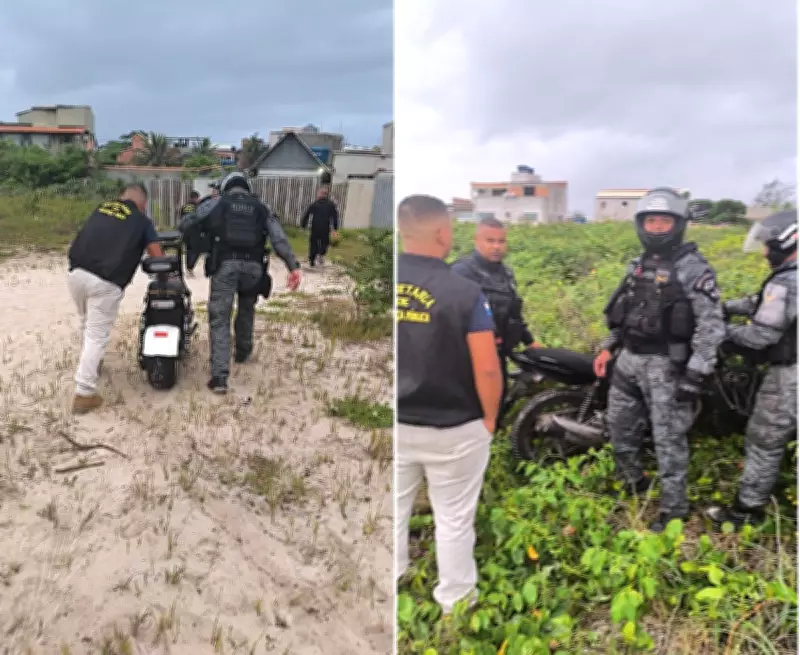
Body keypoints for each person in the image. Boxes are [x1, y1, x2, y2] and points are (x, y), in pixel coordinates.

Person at [592, 187, 726, 533]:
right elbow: (623, 313)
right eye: (650, 220)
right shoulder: (637, 265)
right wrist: (608, 347)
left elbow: (712, 324)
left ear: (678, 224)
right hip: (629, 360)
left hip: (666, 366)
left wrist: (696, 372)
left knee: (669, 439)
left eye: (663, 221)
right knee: (619, 427)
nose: (655, 228)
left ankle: (674, 510)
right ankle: (632, 482)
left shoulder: (692, 268)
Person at [396, 194, 503, 615]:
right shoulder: (464, 291)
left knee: (395, 505)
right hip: (454, 428)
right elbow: (488, 368)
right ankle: (455, 602)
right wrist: (490, 418)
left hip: (398, 423)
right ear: (442, 233)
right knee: (454, 518)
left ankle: (395, 573)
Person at [705, 209, 797, 528]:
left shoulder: (788, 280)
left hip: (790, 374)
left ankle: (746, 512)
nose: (763, 251)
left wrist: (719, 333)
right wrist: (722, 308)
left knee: (765, 438)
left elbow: (760, 335)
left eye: (768, 244)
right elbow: (758, 301)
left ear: (788, 241)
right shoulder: (789, 277)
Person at [179, 172, 302, 394]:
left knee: (220, 317)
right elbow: (279, 239)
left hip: (225, 266)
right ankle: (243, 352)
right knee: (246, 308)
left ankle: (219, 377)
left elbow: (190, 221)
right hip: (254, 268)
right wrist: (293, 266)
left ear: (226, 187)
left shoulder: (217, 202)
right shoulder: (261, 206)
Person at [67, 183, 164, 414]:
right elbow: (158, 257)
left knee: (86, 321)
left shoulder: (101, 208)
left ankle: (94, 366)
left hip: (76, 273)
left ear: (121, 197)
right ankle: (84, 392)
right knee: (96, 335)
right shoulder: (142, 221)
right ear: (144, 204)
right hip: (105, 282)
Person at [451, 216, 541, 429]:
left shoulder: (506, 273)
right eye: (490, 241)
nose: (496, 247)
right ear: (476, 240)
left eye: (501, 241)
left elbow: (513, 313)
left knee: (496, 403)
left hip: (499, 352)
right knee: (471, 409)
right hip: (469, 356)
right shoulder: (461, 272)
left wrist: (530, 341)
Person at [300, 186, 339, 267]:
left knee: (313, 243)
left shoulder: (315, 204)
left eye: (319, 193)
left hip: (315, 227)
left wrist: (303, 226)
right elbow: (335, 217)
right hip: (325, 227)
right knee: (325, 243)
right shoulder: (331, 205)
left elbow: (306, 215)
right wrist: (334, 229)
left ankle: (312, 260)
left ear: (321, 194)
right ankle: (320, 254)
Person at [179, 191, 202, 277]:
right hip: (194, 231)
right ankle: (190, 268)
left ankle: (188, 269)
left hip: (185, 231)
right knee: (196, 250)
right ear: (196, 198)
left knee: (188, 250)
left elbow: (181, 218)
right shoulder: (198, 206)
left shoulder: (184, 206)